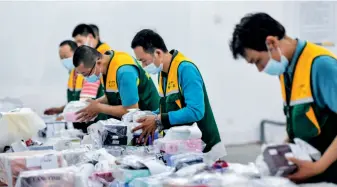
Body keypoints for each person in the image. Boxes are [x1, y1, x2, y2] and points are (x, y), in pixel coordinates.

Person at [229, 12, 337, 184]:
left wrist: (319, 167)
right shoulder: (287, 70)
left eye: (258, 61)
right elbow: (303, 120)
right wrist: (280, 148)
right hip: (310, 170)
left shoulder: (322, 66)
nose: (260, 69)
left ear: (271, 43)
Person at [130, 29, 221, 153]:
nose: (144, 67)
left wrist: (158, 119)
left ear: (158, 53)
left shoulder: (186, 69)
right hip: (182, 147)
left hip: (204, 148)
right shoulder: (162, 74)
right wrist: (148, 116)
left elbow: (196, 111)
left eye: (144, 61)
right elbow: (168, 108)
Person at [72, 45, 160, 121]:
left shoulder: (125, 71)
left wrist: (99, 108)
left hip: (149, 117)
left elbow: (131, 110)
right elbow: (116, 94)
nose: (86, 78)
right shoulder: (105, 65)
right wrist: (95, 103)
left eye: (86, 74)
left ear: (98, 63)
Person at [44, 40, 107, 133]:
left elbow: (85, 104)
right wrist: (60, 110)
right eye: (61, 58)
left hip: (94, 125)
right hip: (81, 125)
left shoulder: (89, 74)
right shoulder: (73, 74)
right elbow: (75, 101)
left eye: (66, 57)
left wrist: (64, 116)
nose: (63, 61)